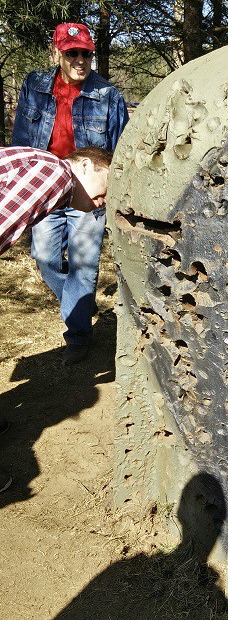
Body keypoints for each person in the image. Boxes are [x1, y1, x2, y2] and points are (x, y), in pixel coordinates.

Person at [12, 22, 128, 366]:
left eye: (85, 54)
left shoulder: (109, 96)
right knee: (45, 257)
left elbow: (119, 153)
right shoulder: (34, 86)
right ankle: (78, 302)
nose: (79, 60)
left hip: (86, 193)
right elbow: (21, 137)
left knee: (84, 265)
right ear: (56, 53)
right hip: (47, 187)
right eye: (71, 53)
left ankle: (77, 336)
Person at [0, 144, 112, 494]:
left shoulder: (46, 171)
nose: (100, 204)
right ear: (84, 165)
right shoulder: (54, 174)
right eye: (103, 191)